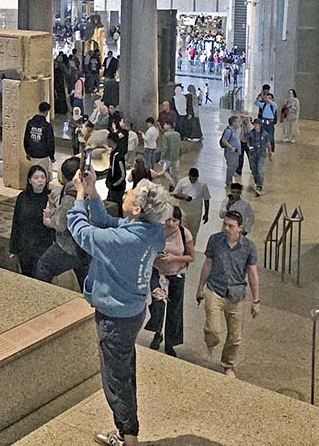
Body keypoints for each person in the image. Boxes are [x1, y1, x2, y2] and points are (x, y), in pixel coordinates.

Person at [67, 157, 170, 446]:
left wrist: (77, 195)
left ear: (136, 209)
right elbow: (108, 223)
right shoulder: (149, 231)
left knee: (116, 380)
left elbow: (82, 231)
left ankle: (129, 438)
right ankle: (127, 432)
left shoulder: (125, 241)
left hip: (115, 317)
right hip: (132, 310)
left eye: (128, 192)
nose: (125, 192)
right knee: (125, 371)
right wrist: (92, 193)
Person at [195, 211, 261, 378]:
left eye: (231, 226)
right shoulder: (215, 241)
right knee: (213, 329)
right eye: (225, 224)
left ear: (240, 228)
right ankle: (210, 343)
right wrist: (200, 288)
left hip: (236, 294)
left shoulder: (248, 247)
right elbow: (207, 264)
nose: (226, 228)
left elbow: (253, 274)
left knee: (235, 336)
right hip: (215, 289)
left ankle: (228, 365)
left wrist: (256, 300)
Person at [145, 206, 195, 355]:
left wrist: (174, 258)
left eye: (175, 220)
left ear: (179, 221)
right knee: (158, 305)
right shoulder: (157, 231)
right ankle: (157, 332)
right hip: (158, 272)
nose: (171, 223)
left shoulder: (185, 234)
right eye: (168, 219)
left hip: (176, 273)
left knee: (174, 310)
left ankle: (170, 343)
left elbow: (191, 257)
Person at [36, 159, 88, 287]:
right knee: (84, 278)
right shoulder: (86, 190)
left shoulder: (71, 195)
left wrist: (49, 220)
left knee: (43, 266)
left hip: (69, 246)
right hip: (85, 245)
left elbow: (61, 223)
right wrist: (54, 208)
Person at [10, 165, 54, 277]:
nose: (40, 180)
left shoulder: (50, 197)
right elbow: (16, 223)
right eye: (36, 177)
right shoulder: (23, 197)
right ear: (30, 180)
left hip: (43, 247)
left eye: (43, 177)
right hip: (25, 246)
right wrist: (13, 248)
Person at [171, 167, 210, 243]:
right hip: (184, 213)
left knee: (193, 234)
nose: (193, 181)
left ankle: (190, 249)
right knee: (181, 232)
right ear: (189, 175)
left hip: (196, 214)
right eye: (191, 179)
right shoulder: (182, 182)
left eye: (195, 179)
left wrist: (206, 213)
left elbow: (206, 199)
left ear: (198, 177)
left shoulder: (202, 185)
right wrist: (183, 197)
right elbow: (175, 194)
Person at [23, 101, 55, 175]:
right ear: (47, 111)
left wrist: (27, 152)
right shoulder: (47, 126)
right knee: (43, 174)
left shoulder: (30, 123)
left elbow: (26, 138)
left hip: (32, 153)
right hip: (43, 154)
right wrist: (52, 156)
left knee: (33, 173)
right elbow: (50, 142)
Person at [244, 118, 267, 196]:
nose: (255, 126)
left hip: (261, 154)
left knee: (259, 169)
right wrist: (249, 146)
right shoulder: (251, 133)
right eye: (254, 124)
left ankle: (259, 186)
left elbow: (268, 143)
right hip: (253, 154)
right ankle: (257, 182)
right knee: (254, 169)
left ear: (260, 125)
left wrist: (270, 153)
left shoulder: (264, 134)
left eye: (257, 124)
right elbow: (247, 140)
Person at [219, 116, 241, 190]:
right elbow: (224, 140)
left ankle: (230, 179)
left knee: (235, 166)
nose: (239, 124)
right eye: (237, 122)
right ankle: (228, 182)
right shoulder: (229, 131)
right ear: (233, 123)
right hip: (231, 153)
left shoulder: (235, 130)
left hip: (236, 152)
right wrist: (231, 147)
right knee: (231, 167)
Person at [254, 89, 277, 157]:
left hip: (270, 123)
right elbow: (256, 103)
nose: (268, 99)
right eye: (267, 97)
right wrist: (258, 99)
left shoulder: (273, 105)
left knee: (271, 137)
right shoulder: (263, 105)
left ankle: (272, 150)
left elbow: (275, 105)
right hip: (263, 122)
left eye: (270, 98)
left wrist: (269, 100)